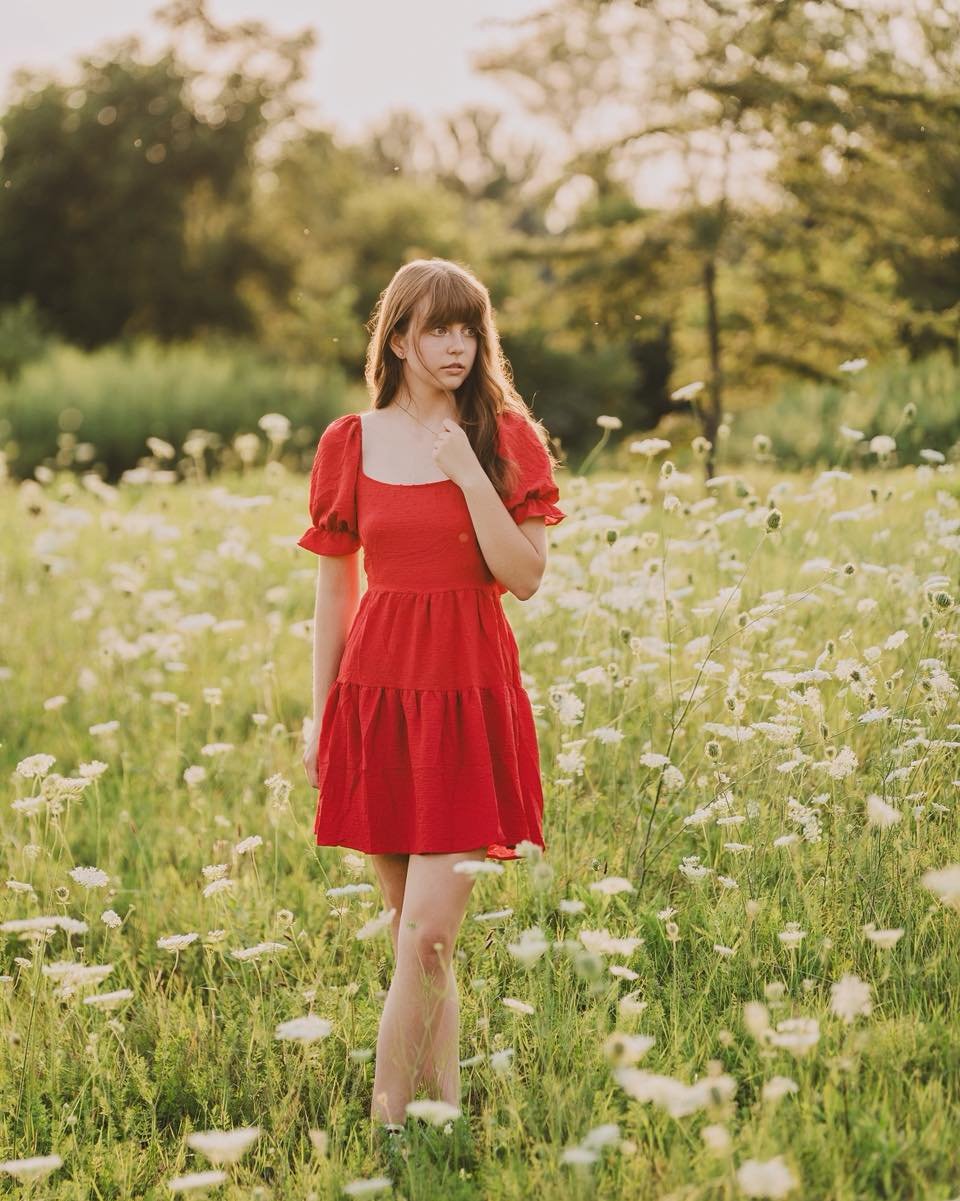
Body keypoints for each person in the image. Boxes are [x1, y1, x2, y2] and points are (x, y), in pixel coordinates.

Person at [296, 257, 567, 1142]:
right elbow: (335, 592)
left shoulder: (506, 438)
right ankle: (442, 1111)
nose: (455, 345)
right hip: (375, 697)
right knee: (416, 936)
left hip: (465, 695)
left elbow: (523, 576)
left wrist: (467, 474)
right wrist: (322, 711)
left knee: (427, 939)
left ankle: (384, 1129)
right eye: (436, 329)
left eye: (468, 328)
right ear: (399, 337)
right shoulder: (350, 442)